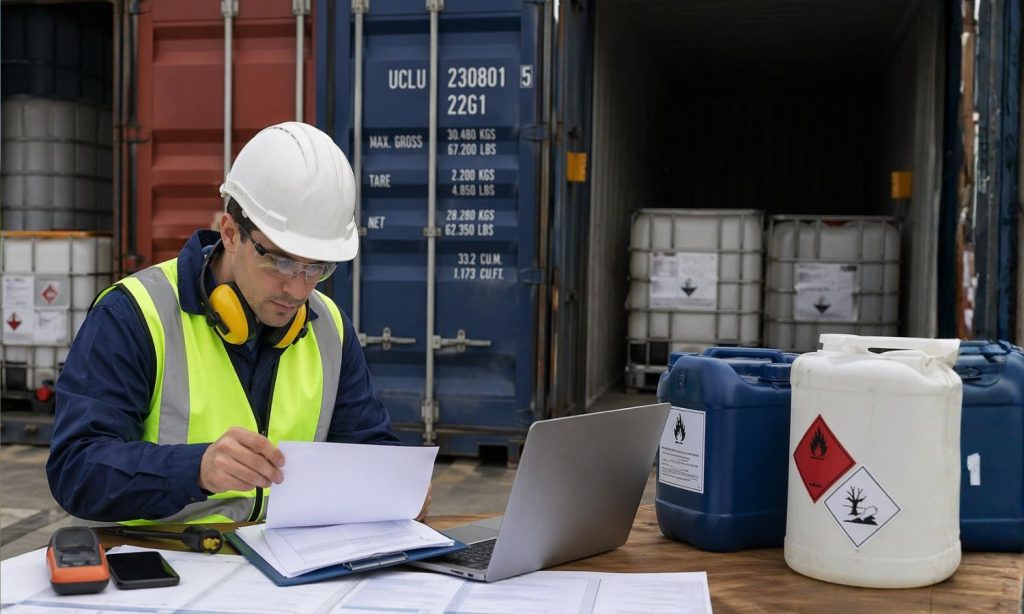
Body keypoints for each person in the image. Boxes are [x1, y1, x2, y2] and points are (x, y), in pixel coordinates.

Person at [47, 122, 429, 524]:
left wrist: (398, 485)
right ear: (230, 234)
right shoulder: (134, 315)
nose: (298, 290)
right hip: (157, 567)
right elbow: (76, 468)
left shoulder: (329, 328)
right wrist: (194, 468)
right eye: (281, 261)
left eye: (317, 267)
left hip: (281, 570)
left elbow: (367, 448)